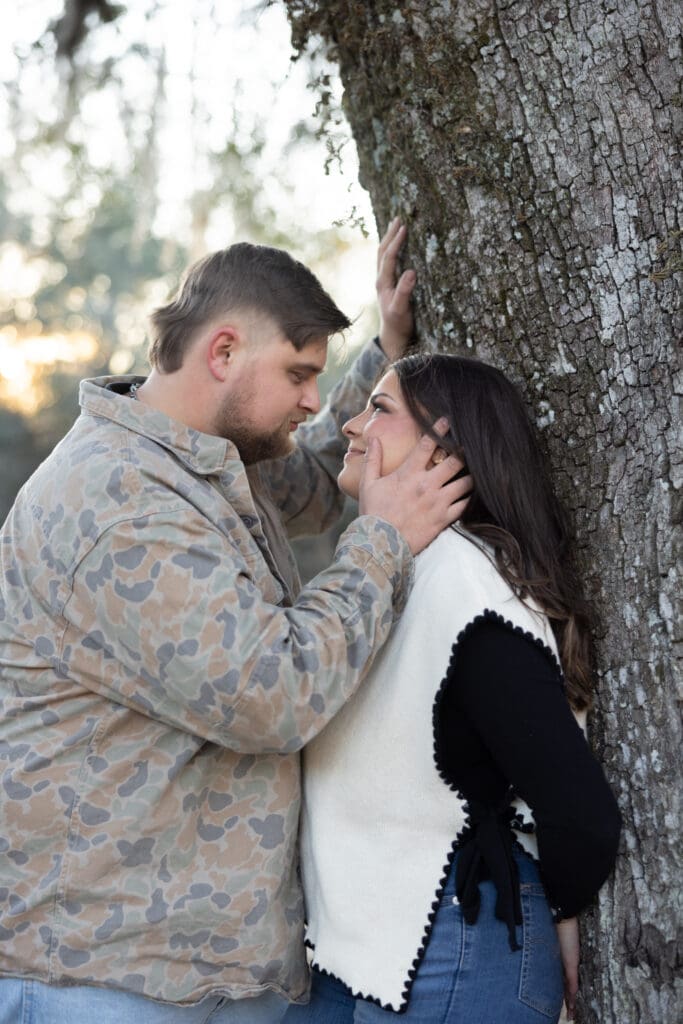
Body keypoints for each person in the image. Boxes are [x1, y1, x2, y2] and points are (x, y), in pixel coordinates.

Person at [0, 223, 472, 1024]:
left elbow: (320, 483)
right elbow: (273, 695)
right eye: (297, 372)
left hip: (192, 968)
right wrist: (384, 541)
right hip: (111, 979)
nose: (312, 401)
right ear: (223, 353)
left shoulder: (199, 454)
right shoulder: (121, 504)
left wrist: (392, 355)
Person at [283, 353, 622, 1024]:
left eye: (378, 410)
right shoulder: (389, 566)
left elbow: (579, 812)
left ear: (445, 448)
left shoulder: (467, 586)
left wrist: (558, 914)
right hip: (349, 944)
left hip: (453, 943)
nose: (350, 425)